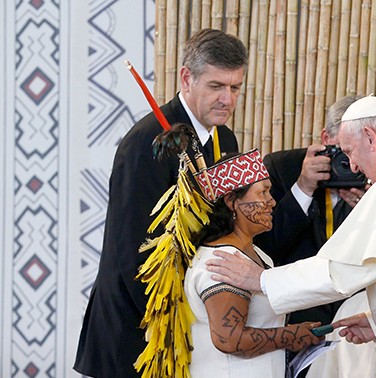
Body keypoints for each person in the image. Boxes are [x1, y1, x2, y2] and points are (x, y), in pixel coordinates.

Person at [205, 95, 376, 377]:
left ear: (370, 138)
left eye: (349, 151)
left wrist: (261, 279)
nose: (351, 166)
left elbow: (339, 270)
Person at [74, 28, 247, 377]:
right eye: (216, 86)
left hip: (191, 325)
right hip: (137, 334)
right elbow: (132, 249)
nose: (227, 99)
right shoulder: (146, 142)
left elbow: (224, 224)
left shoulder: (225, 137)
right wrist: (172, 328)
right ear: (186, 78)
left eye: (235, 87)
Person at [253, 95, 376, 377]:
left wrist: (369, 208)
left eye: (358, 152)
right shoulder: (282, 169)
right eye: (343, 151)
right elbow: (265, 248)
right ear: (326, 138)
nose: (352, 165)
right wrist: (303, 188)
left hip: (353, 330)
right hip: (294, 320)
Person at [183, 150, 321, 377]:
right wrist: (292, 335)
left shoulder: (257, 254)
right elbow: (230, 339)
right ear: (231, 202)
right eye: (263, 192)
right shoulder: (222, 262)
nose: (272, 201)